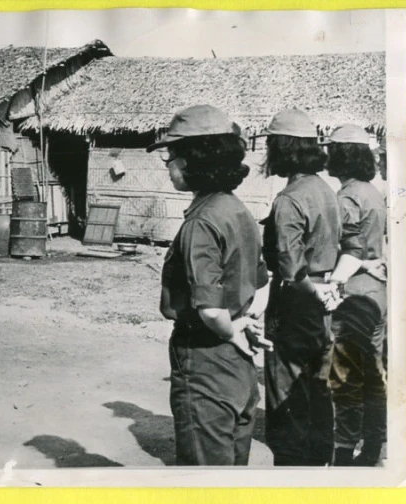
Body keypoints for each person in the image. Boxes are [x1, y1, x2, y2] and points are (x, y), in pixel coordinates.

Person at [148, 105, 272, 465]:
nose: (169, 167)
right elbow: (262, 283)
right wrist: (244, 321)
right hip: (239, 369)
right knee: (232, 469)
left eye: (170, 158)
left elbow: (211, 308)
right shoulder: (237, 210)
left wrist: (230, 329)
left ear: (192, 161)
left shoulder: (201, 222)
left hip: (205, 359)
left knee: (203, 479)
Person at [257, 109, 342, 466]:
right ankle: (319, 467)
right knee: (317, 388)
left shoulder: (290, 198)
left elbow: (291, 268)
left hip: (296, 299)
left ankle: (292, 475)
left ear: (282, 148)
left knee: (286, 396)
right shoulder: (325, 189)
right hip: (323, 297)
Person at [322, 124, 388, 466]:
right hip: (377, 293)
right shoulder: (372, 192)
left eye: (331, 150)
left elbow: (348, 249)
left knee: (346, 376)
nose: (327, 156)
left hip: (354, 293)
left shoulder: (347, 196)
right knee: (374, 374)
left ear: (342, 155)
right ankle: (374, 445)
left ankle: (345, 451)